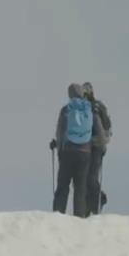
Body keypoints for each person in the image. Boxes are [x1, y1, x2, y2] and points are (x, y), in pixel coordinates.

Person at [50, 83, 93, 218]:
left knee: (63, 185)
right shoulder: (88, 110)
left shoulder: (66, 109)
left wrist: (59, 148)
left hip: (68, 151)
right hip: (85, 152)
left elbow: (61, 131)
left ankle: (58, 214)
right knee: (80, 187)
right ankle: (79, 217)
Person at [82, 82, 111, 215]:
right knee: (88, 177)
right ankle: (91, 205)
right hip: (95, 145)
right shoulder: (98, 106)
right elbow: (108, 126)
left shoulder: (94, 107)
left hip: (95, 146)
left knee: (90, 177)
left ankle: (98, 200)